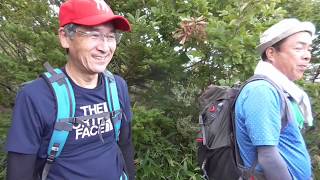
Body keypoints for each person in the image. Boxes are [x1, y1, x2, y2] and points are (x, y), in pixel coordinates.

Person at [5, 0, 135, 179]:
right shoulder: (36, 97)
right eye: (93, 35)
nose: (105, 47)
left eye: (111, 36)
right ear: (65, 37)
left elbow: (125, 145)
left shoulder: (118, 87)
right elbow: (19, 172)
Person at [235, 18, 315, 180]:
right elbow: (267, 156)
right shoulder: (262, 91)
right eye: (299, 48)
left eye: (309, 49)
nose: (307, 56)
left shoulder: (283, 92)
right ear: (271, 53)